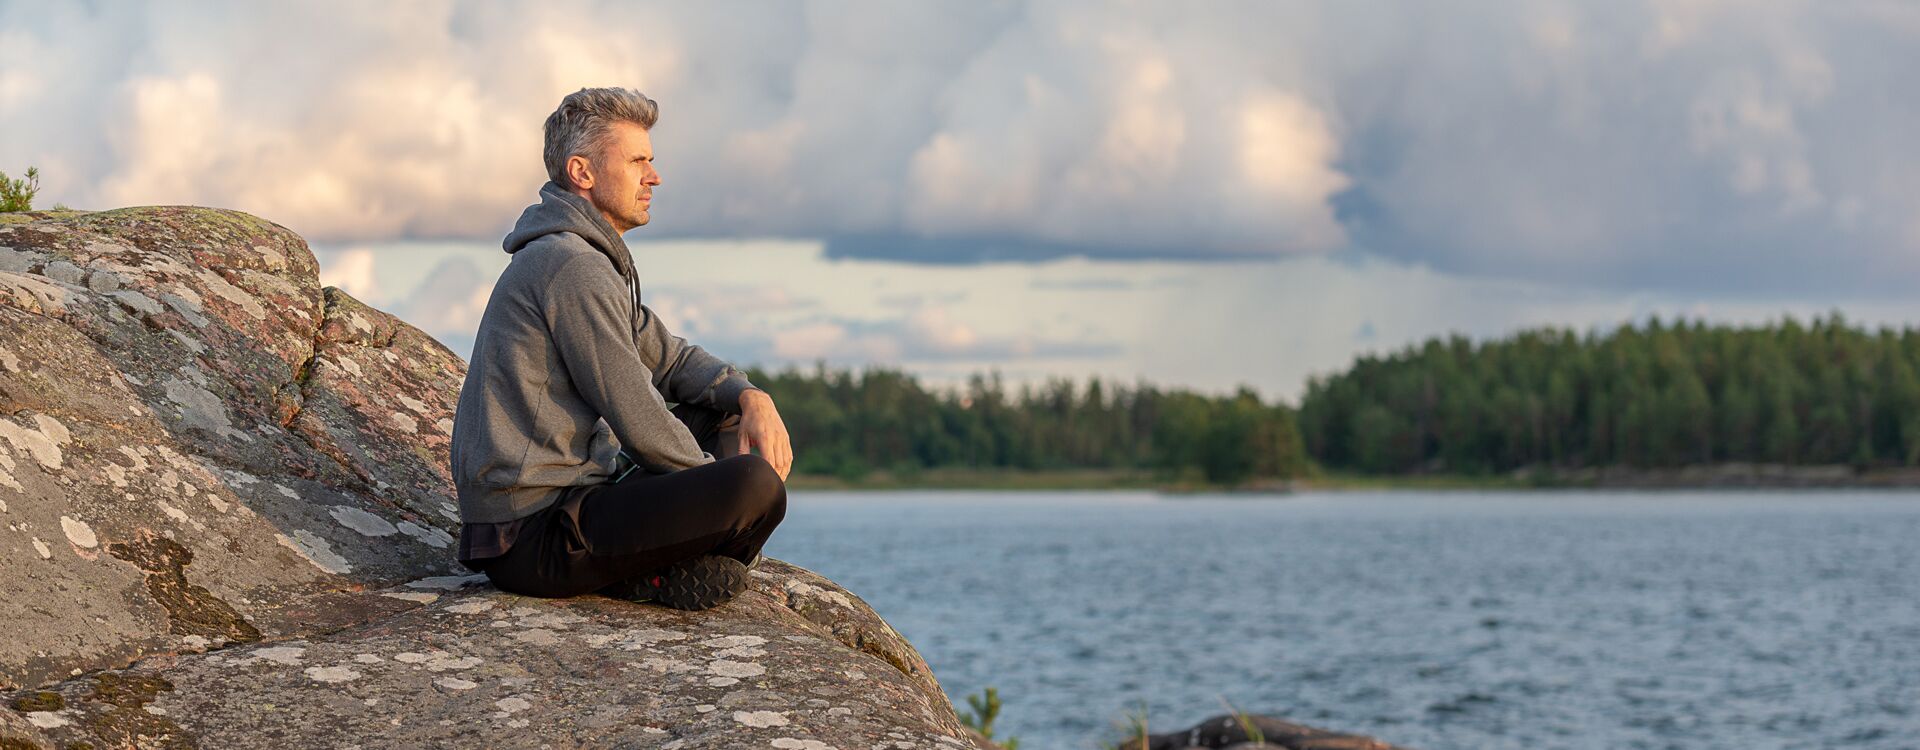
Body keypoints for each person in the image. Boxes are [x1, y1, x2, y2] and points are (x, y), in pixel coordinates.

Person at [449, 87, 794, 611]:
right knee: (754, 486)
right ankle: (653, 574)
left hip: (572, 506)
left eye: (651, 163)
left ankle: (673, 564)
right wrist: (721, 497)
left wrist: (751, 397)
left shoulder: (588, 258)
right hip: (531, 535)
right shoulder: (570, 266)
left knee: (724, 414)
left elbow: (671, 360)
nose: (654, 178)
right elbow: (638, 417)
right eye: (637, 162)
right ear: (582, 172)